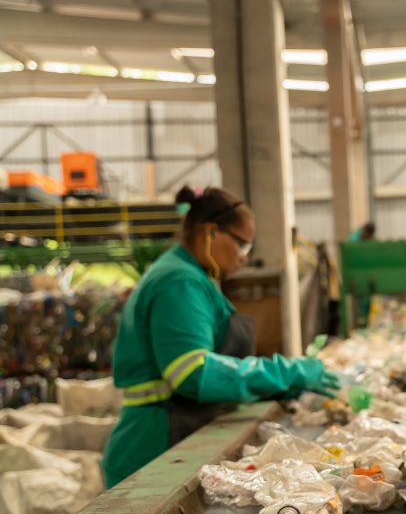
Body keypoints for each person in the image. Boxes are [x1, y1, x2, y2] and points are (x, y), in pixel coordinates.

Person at [101, 186, 341, 487]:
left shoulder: (191, 276)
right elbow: (190, 371)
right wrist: (283, 373)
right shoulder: (179, 281)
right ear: (210, 232)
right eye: (242, 245)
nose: (244, 258)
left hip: (169, 433)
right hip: (154, 445)